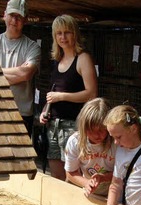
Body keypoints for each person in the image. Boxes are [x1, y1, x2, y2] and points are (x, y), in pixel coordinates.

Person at [39, 14, 98, 180]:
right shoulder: (58, 60)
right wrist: (45, 112)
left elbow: (91, 93)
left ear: (75, 34)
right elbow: (53, 94)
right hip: (53, 125)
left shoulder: (83, 58)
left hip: (73, 125)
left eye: (67, 33)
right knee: (55, 171)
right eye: (59, 33)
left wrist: (62, 96)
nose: (63, 37)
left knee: (72, 173)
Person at [0, 0, 40, 136]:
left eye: (19, 17)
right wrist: (17, 73)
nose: (14, 20)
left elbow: (26, 74)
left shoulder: (32, 47)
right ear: (4, 15)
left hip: (20, 113)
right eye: (12, 15)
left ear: (26, 20)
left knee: (21, 156)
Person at [64, 98, 115, 197]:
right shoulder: (75, 141)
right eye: (91, 130)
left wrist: (104, 177)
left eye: (101, 130)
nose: (96, 135)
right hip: (90, 194)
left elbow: (124, 174)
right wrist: (86, 183)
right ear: (83, 127)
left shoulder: (116, 142)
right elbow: (70, 173)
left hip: (115, 195)